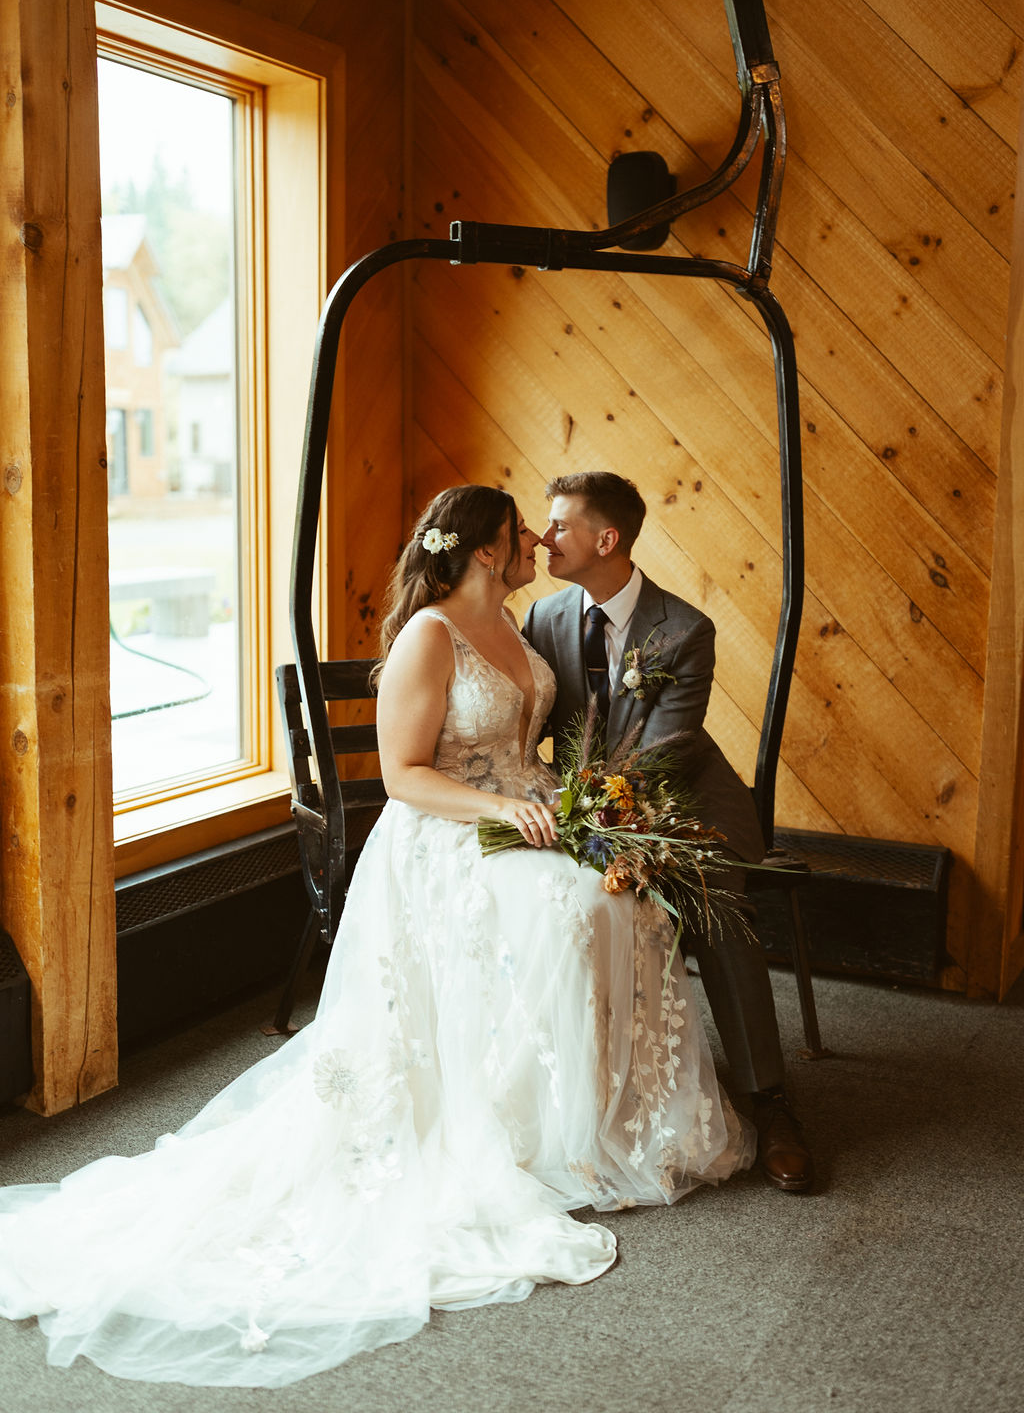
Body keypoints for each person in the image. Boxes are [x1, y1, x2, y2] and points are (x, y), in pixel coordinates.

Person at [0, 484, 754, 1391]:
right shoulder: (428, 636)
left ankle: (600, 1116)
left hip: (529, 817)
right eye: (520, 535)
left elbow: (556, 744)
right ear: (481, 551)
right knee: (575, 911)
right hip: (447, 834)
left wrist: (566, 809)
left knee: (623, 901)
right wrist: (506, 811)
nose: (533, 545)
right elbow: (403, 778)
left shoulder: (524, 628)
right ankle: (533, 1130)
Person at [522, 471, 814, 1194]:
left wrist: (595, 818)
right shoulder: (544, 619)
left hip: (683, 802)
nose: (546, 536)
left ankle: (768, 1100)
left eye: (560, 525)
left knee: (716, 902)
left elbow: (665, 750)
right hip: (585, 806)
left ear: (605, 538)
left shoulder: (684, 630)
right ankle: (596, 1097)